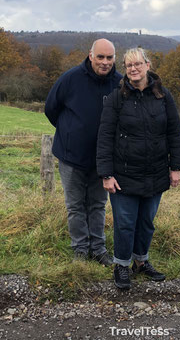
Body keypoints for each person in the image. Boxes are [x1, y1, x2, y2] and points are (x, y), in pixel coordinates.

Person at [96, 47, 180, 289]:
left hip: (155, 173)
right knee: (125, 222)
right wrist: (106, 174)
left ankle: (141, 262)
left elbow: (174, 133)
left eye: (137, 64)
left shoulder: (163, 96)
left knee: (146, 221)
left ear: (148, 65)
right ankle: (122, 266)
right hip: (123, 174)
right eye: (128, 66)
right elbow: (104, 136)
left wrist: (176, 167)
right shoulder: (117, 97)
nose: (133, 69)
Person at [45, 39, 122, 266]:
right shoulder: (70, 79)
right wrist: (70, 132)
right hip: (71, 157)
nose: (105, 62)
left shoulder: (120, 83)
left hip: (103, 160)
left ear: (115, 59)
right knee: (75, 205)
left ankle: (98, 249)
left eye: (109, 58)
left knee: (98, 205)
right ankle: (80, 248)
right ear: (90, 55)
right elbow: (51, 108)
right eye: (100, 57)